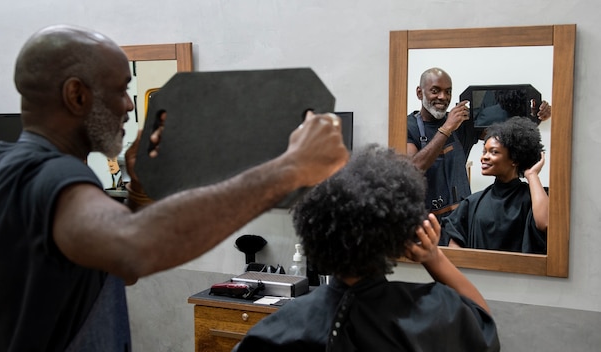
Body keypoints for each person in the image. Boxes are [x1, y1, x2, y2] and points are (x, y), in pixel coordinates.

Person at [0, 24, 349, 351]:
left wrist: (138, 191)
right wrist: (289, 168)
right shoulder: (50, 176)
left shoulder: (7, 164)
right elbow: (130, 251)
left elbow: (118, 268)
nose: (128, 106)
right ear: (77, 96)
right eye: (121, 90)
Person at [233, 144, 500, 352]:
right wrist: (434, 257)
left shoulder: (278, 329)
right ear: (398, 237)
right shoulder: (433, 312)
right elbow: (483, 327)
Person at [407, 67, 551, 240]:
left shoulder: (463, 124)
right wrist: (446, 129)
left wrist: (535, 117)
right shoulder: (408, 127)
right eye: (435, 91)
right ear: (419, 92)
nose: (442, 97)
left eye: (448, 92)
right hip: (424, 225)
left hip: (459, 222)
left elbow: (505, 134)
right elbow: (412, 169)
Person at [443, 117, 548, 254]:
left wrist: (532, 175)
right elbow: (455, 251)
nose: (484, 157)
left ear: (515, 159)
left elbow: (544, 223)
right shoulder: (472, 204)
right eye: (484, 151)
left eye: (494, 152)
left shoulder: (534, 200)